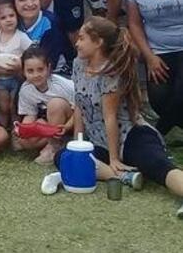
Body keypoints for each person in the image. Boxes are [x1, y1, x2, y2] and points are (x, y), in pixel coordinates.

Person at [50, 17, 183, 219]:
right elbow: (79, 104)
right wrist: (78, 143)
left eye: (82, 38)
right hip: (99, 141)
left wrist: (114, 158)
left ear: (98, 42)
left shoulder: (110, 73)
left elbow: (110, 117)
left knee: (158, 166)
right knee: (64, 157)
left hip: (130, 136)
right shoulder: (78, 64)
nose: (77, 43)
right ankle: (124, 176)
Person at [125, 0, 183, 136]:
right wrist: (149, 57)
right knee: (159, 100)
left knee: (181, 94)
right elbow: (134, 24)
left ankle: (158, 133)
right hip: (158, 51)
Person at [15, 47, 74, 165]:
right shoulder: (26, 89)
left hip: (73, 122)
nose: (36, 75)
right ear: (23, 72)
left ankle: (54, 147)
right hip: (51, 125)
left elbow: (81, 110)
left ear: (49, 68)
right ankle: (62, 142)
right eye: (30, 71)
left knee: (55, 104)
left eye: (40, 69)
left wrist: (67, 127)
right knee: (24, 140)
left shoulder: (63, 86)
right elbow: (30, 115)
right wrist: (23, 129)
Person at [0, 0, 32, 129]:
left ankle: (15, 131)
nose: (8, 20)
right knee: (3, 107)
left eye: (11, 16)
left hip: (17, 78)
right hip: (1, 79)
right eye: (3, 18)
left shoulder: (21, 37)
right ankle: (2, 128)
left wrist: (21, 66)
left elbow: (31, 54)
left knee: (14, 107)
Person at [13, 0, 68, 75]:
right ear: (14, 3)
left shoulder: (50, 23)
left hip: (50, 73)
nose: (29, 4)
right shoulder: (11, 22)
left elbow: (50, 62)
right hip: (19, 71)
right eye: (22, 0)